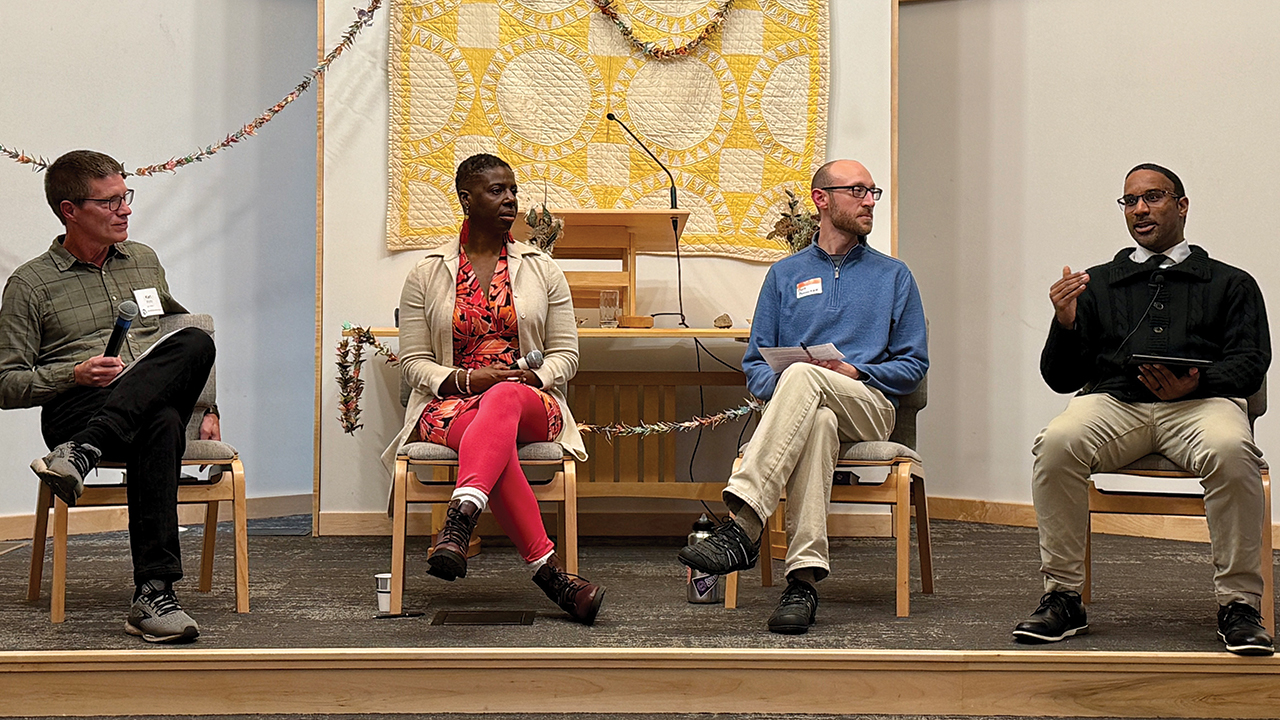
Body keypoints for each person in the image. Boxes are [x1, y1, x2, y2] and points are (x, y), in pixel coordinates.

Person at [1013, 164, 1272, 656]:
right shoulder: (1098, 284)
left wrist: (1194, 383)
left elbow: (1251, 363)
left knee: (1233, 448)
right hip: (1117, 406)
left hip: (1201, 406)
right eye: (1130, 201)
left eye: (1152, 197)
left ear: (1182, 205)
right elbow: (1061, 378)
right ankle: (1063, 597)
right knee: (1056, 443)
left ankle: (1239, 604)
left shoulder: (1232, 283)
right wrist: (1065, 323)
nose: (1140, 209)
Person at [678, 159, 928, 634]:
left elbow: (914, 366)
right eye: (857, 190)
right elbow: (755, 367)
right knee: (815, 419)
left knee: (805, 379)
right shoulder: (784, 275)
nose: (869, 200)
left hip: (869, 404)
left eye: (873, 191)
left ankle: (743, 524)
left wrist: (855, 369)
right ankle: (802, 583)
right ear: (821, 199)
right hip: (813, 411)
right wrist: (795, 382)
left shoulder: (894, 277)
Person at [0, 150, 218, 643]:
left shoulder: (142, 260)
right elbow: (6, 383)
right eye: (110, 201)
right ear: (69, 210)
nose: (125, 210)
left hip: (116, 417)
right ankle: (155, 593)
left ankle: (84, 454)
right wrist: (72, 374)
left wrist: (209, 408)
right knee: (161, 423)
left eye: (126, 197)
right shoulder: (30, 284)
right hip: (78, 407)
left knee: (196, 341)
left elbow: (175, 340)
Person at [381, 153, 604, 625]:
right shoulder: (426, 273)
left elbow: (567, 355)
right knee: (491, 444)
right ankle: (552, 575)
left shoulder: (542, 269)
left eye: (512, 190)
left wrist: (530, 377)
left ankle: (460, 517)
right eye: (496, 190)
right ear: (466, 199)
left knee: (501, 400)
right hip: (452, 403)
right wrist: (463, 380)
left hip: (530, 399)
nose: (510, 200)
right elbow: (414, 364)